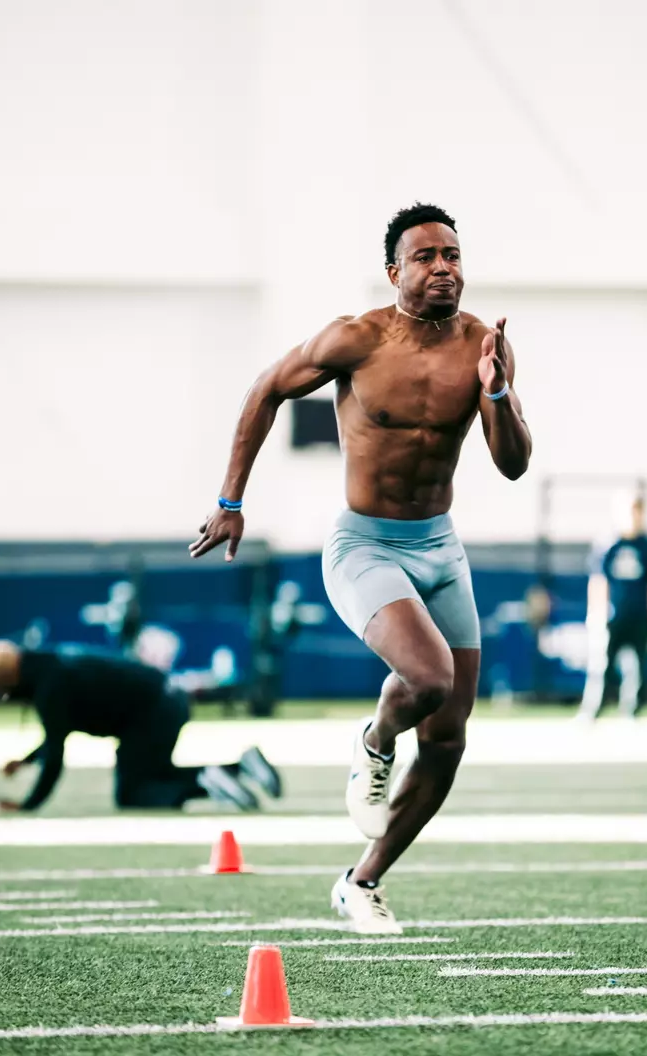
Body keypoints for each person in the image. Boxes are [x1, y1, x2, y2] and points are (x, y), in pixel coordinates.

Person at [190, 203, 532, 932]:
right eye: (426, 257)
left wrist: (496, 389)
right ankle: (375, 741)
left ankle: (361, 882)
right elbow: (265, 389)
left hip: (440, 547)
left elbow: (511, 464)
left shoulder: (483, 346)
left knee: (448, 735)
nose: (444, 267)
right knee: (429, 680)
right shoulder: (355, 338)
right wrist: (230, 500)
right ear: (395, 271)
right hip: (365, 546)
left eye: (452, 254)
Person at [0, 640, 282, 812]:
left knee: (133, 792)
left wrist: (27, 806)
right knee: (152, 777)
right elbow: (58, 732)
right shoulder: (53, 665)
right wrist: (26, 760)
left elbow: (56, 753)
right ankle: (240, 768)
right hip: (165, 700)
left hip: (154, 711)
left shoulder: (49, 686)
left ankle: (209, 779)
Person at [578, 493, 647, 719]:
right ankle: (595, 707)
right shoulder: (609, 545)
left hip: (640, 616)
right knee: (602, 663)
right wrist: (596, 612)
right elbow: (599, 581)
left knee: (639, 665)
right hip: (613, 615)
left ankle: (632, 709)